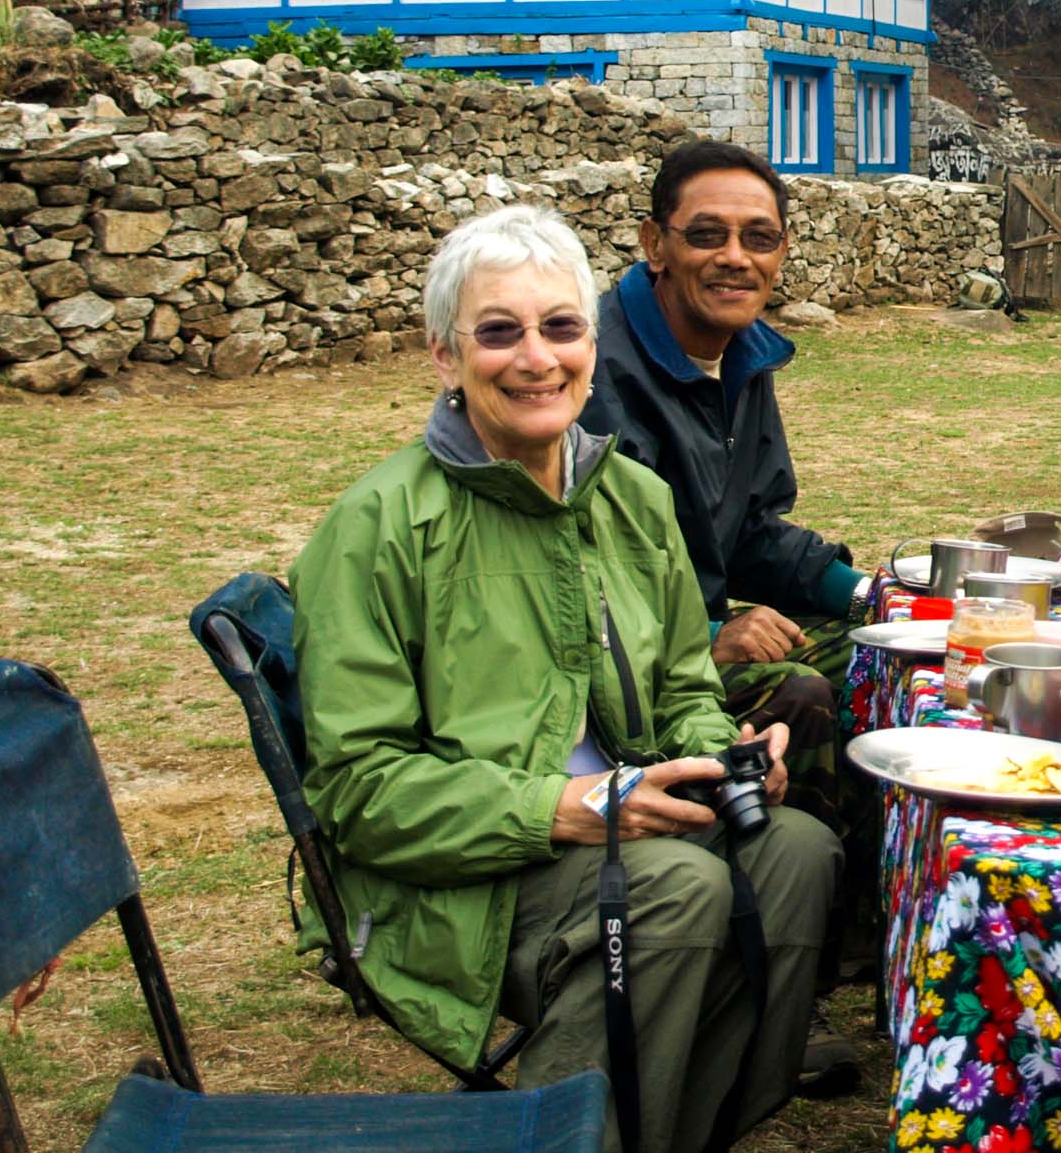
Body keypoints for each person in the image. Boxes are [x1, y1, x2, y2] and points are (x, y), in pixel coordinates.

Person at [291, 205, 841, 1152]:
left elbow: (679, 685)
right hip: (462, 873)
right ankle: (573, 1135)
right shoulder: (377, 529)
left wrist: (724, 751)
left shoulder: (631, 497)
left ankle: (683, 1127)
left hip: (628, 829)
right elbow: (357, 791)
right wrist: (571, 807)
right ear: (443, 356)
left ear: (593, 343)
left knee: (796, 855)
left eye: (561, 327)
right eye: (498, 332)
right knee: (674, 889)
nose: (536, 359)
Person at [580, 140, 869, 827]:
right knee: (799, 690)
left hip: (688, 632)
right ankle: (785, 893)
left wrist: (871, 593)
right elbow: (584, 582)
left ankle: (880, 889)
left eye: (758, 238)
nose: (735, 257)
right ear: (655, 243)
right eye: (707, 235)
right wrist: (708, 633)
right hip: (622, 664)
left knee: (881, 653)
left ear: (781, 251)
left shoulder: (742, 353)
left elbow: (748, 532)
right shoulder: (590, 374)